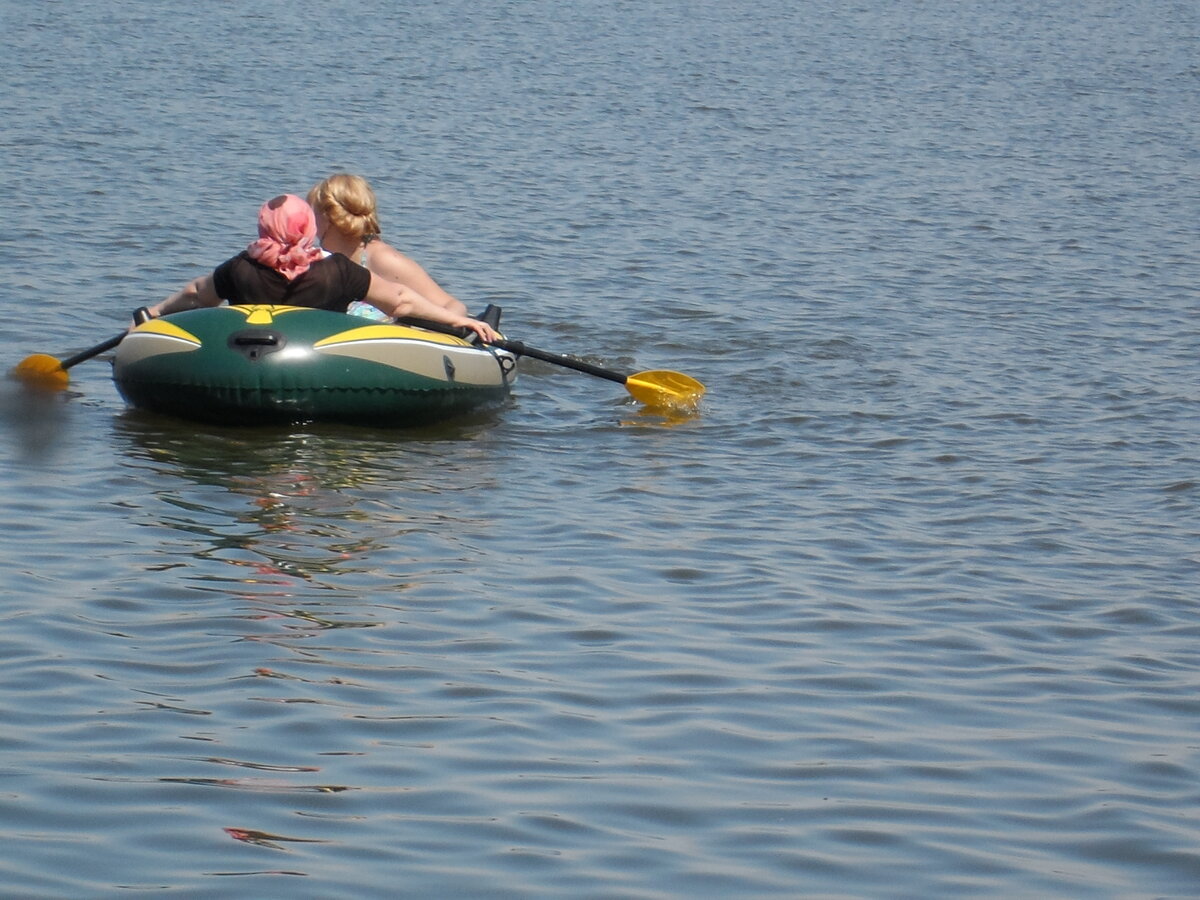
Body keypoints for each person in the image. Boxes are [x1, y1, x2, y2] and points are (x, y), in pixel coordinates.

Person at [141, 195, 499, 343]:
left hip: (252, 349)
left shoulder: (239, 267)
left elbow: (196, 295)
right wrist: (458, 321)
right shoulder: (338, 270)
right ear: (307, 227)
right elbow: (401, 301)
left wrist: (153, 314)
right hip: (321, 353)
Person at [307, 173, 469, 320]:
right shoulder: (322, 260)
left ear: (327, 218)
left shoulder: (382, 259)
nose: (307, 222)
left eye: (311, 214)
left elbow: (452, 306)